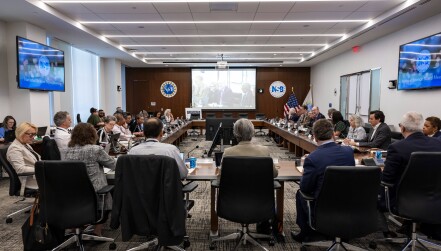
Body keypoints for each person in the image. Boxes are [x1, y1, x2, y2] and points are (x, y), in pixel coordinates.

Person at [292, 119, 355, 242]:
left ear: (315, 137)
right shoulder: (348, 152)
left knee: (300, 194)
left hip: (322, 207)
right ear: (333, 135)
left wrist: (305, 170)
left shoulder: (312, 158)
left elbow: (305, 188)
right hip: (348, 204)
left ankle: (307, 233)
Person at [381, 112, 441, 239]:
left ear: (402, 128)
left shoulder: (397, 147)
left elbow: (386, 179)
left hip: (403, 202)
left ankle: (386, 231)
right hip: (435, 199)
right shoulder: (438, 144)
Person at [65, 123, 115, 236]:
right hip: (95, 193)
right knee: (111, 190)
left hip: (73, 193)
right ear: (92, 135)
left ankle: (75, 228)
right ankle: (97, 231)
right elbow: (113, 165)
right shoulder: (95, 149)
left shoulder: (68, 149)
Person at [6, 122, 40, 189]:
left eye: (34, 134)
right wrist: (42, 169)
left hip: (37, 177)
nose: (33, 137)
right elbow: (20, 169)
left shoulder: (25, 144)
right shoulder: (14, 149)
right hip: (31, 181)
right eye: (31, 135)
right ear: (21, 133)